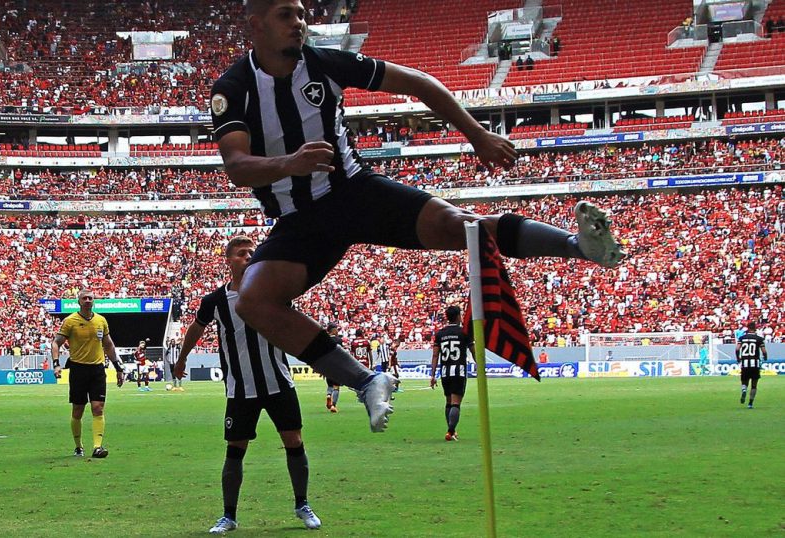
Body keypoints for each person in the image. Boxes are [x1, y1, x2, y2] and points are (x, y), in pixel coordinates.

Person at [211, 0, 624, 433]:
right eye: (285, 15)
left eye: (301, 14)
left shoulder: (326, 63)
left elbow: (420, 83)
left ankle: (578, 245)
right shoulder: (234, 88)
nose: (298, 23)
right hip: (301, 219)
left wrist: (477, 134)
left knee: (461, 226)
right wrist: (288, 164)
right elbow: (236, 166)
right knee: (254, 301)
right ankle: (366, 380)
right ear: (256, 26)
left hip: (354, 192)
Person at [174, 236, 321, 533]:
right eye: (241, 253)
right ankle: (229, 515)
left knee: (294, 442)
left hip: (279, 382)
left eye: (251, 253)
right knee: (235, 449)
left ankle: (302, 504)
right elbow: (196, 327)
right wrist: (181, 359)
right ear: (228, 260)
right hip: (241, 389)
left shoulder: (273, 293)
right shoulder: (215, 301)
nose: (248, 256)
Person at [51, 289, 125, 458]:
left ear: (94, 301)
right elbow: (56, 342)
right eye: (84, 298)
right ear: (79, 302)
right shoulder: (70, 321)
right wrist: (56, 364)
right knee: (77, 410)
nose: (87, 300)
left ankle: (97, 447)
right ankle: (78, 446)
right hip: (78, 369)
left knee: (98, 408)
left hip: (97, 369)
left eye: (90, 298)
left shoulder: (101, 321)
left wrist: (118, 367)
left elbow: (109, 345)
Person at [429, 306, 474, 441]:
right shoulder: (464, 332)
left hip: (445, 373)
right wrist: (481, 365)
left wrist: (432, 375)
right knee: (455, 403)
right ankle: (450, 431)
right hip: (458, 372)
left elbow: (435, 355)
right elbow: (473, 351)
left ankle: (452, 431)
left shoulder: (440, 334)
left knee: (448, 402)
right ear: (458, 316)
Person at [736, 321, 767, 409]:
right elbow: (764, 351)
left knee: (744, 380)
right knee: (754, 385)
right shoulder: (759, 339)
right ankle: (750, 404)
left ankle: (744, 389)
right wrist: (765, 357)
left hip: (745, 363)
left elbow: (737, 349)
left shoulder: (742, 338)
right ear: (755, 328)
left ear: (747, 328)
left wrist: (738, 358)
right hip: (755, 364)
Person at [324, 322, 342, 412]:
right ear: (334, 330)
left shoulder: (325, 340)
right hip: (336, 365)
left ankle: (328, 395)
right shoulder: (339, 340)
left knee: (330, 385)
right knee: (336, 386)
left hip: (327, 365)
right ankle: (333, 405)